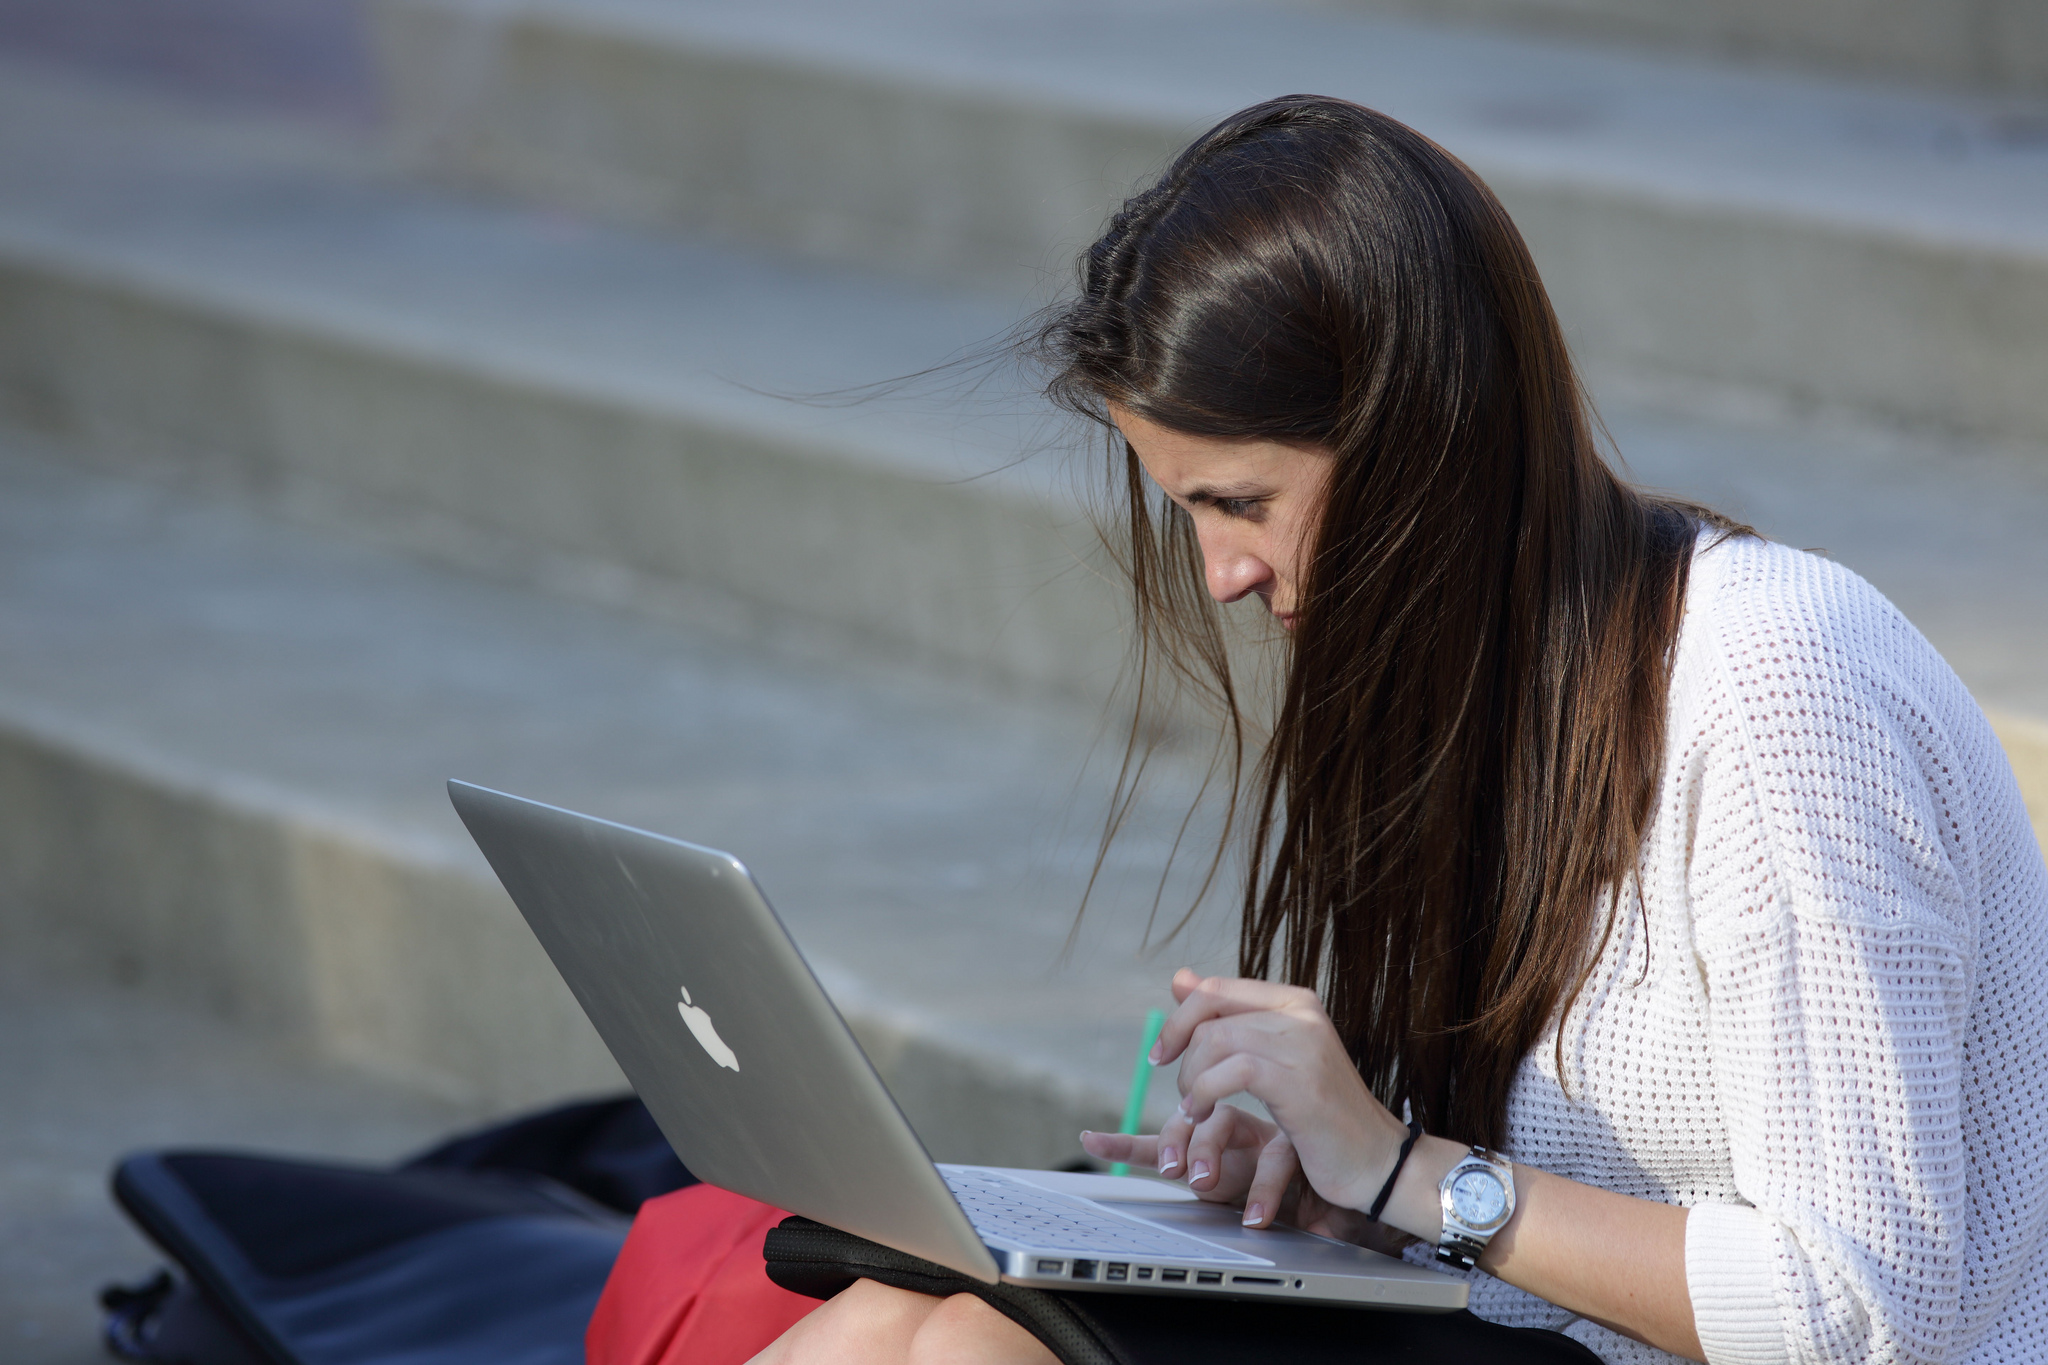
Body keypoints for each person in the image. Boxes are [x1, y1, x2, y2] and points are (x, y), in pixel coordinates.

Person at [591, 95, 2048, 1365]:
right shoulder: (1478, 671)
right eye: (1189, 509)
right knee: (903, 1322)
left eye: (1242, 502)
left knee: (966, 1346)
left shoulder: (1780, 688)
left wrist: (1407, 1167)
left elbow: (1861, 1312)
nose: (1220, 572)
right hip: (1541, 1335)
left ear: (1425, 441)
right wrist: (1341, 1173)